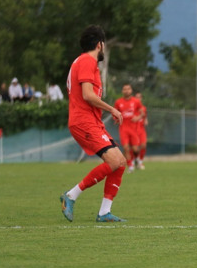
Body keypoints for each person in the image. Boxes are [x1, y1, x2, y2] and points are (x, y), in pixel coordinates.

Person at [60, 24, 129, 222]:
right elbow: (88, 95)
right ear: (99, 45)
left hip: (92, 121)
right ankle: (71, 195)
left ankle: (104, 212)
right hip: (84, 121)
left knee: (121, 162)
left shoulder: (86, 63)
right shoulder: (86, 61)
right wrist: (112, 109)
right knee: (114, 161)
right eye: (104, 44)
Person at [113, 83, 145, 174]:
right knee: (126, 148)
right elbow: (114, 113)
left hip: (133, 129)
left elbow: (142, 113)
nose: (126, 91)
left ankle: (137, 159)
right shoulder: (118, 102)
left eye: (128, 89)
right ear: (122, 91)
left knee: (135, 149)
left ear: (131, 90)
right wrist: (116, 119)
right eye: (124, 89)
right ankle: (130, 166)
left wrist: (138, 118)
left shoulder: (136, 101)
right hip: (123, 128)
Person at [134, 91, 148, 170]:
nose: (138, 99)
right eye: (137, 97)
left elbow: (145, 116)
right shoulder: (132, 108)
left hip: (141, 130)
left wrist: (146, 120)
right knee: (134, 148)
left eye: (139, 97)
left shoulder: (143, 108)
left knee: (143, 145)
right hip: (134, 130)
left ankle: (140, 161)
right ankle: (135, 161)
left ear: (141, 98)